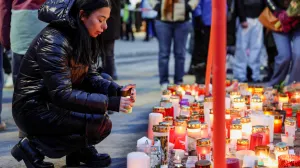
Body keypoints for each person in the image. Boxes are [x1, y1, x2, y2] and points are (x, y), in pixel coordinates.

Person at [10, 0, 136, 168]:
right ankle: (32, 148)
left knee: (105, 80)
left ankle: (79, 150)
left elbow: (90, 76)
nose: (105, 27)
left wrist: (119, 91)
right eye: (101, 19)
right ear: (82, 15)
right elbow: (62, 94)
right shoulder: (54, 40)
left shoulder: (81, 34)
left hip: (52, 102)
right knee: (99, 123)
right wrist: (111, 103)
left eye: (106, 20)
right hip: (33, 108)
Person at [151, 0, 200, 90]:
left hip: (182, 21)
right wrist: (156, 5)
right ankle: (164, 81)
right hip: (163, 20)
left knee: (180, 54)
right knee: (164, 54)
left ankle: (178, 81)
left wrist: (189, 6)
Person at [266, 0, 300, 86]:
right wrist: (277, 12)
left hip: (298, 23)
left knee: (299, 55)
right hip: (279, 19)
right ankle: (275, 85)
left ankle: (293, 86)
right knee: (284, 56)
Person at [234, 0, 265, 82]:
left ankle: (255, 75)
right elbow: (238, 2)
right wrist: (242, 18)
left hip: (259, 18)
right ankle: (240, 75)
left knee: (257, 48)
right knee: (241, 49)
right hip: (246, 18)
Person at [101, 0, 121, 80]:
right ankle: (110, 74)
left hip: (108, 26)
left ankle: (109, 76)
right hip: (110, 26)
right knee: (108, 53)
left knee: (107, 53)